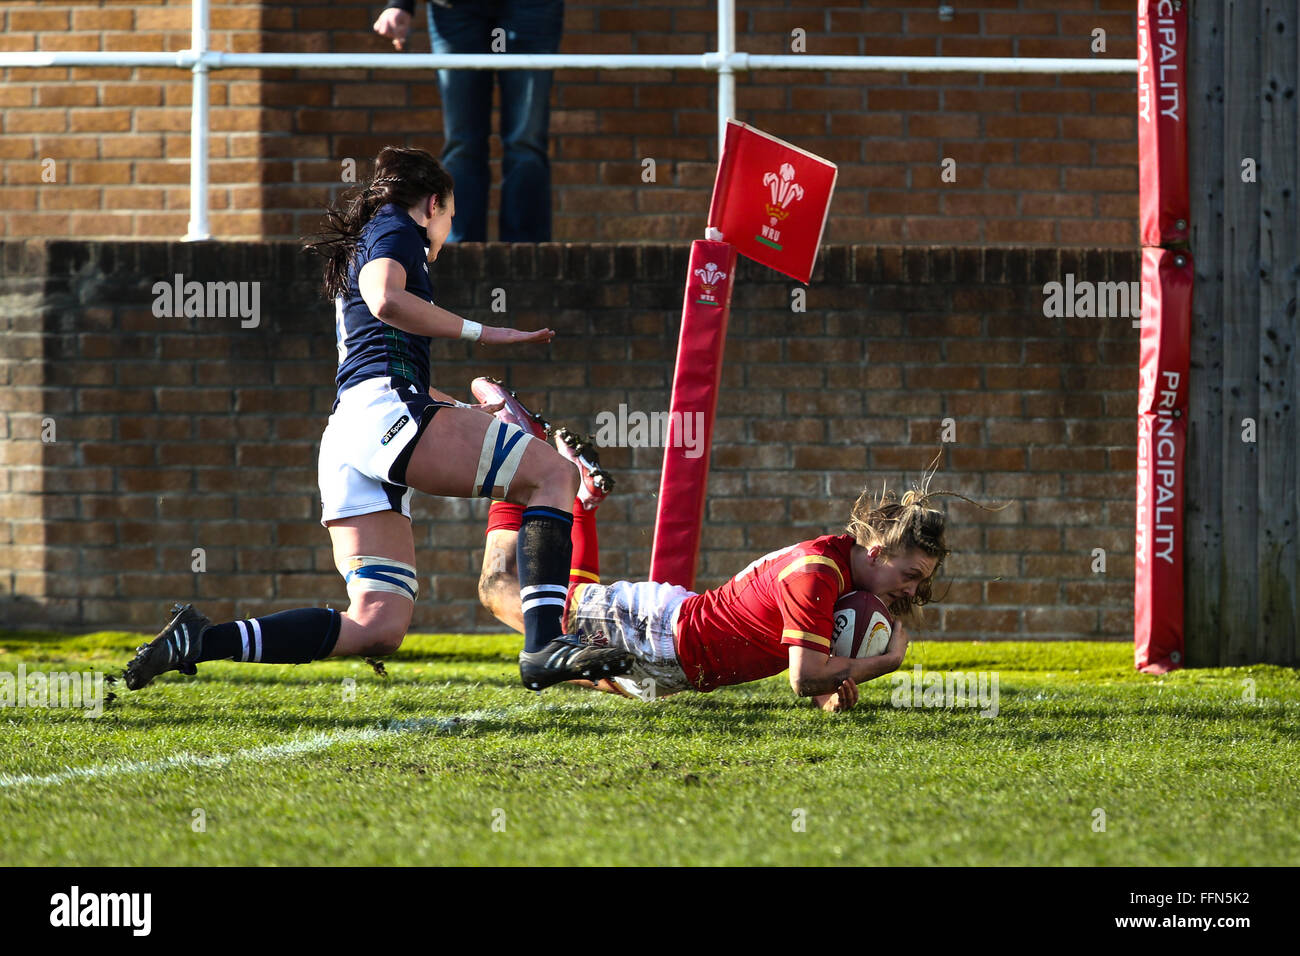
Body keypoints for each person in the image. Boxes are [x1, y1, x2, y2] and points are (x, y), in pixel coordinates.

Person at [124, 146, 630, 693]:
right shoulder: (397, 229)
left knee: (377, 624)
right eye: (451, 217)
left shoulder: (373, 236)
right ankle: (543, 646)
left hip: (351, 431)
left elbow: (380, 355)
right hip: (386, 415)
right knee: (554, 475)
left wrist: (457, 409)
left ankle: (200, 641)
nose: (447, 232)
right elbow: (384, 300)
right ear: (432, 203)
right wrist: (490, 333)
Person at [473, 389, 962, 714]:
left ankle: (580, 500)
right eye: (913, 574)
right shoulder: (818, 572)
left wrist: (830, 693)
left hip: (674, 651)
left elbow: (812, 672)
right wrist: (884, 664)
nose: (914, 590)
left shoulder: (843, 575)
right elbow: (804, 676)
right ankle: (515, 448)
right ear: (877, 553)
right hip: (660, 636)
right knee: (500, 589)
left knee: (568, 647)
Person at [372, 0, 564, 242]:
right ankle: (460, 253)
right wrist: (401, 3)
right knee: (463, 142)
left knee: (526, 141)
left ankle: (528, 257)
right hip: (454, 9)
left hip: (533, 8)